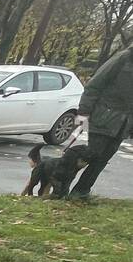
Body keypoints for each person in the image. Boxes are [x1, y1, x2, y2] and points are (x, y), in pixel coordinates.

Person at [52, 46, 133, 199]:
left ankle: (81, 192)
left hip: (124, 124)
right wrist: (83, 114)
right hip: (104, 117)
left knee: (102, 160)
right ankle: (59, 189)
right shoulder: (123, 58)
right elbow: (94, 85)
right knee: (87, 156)